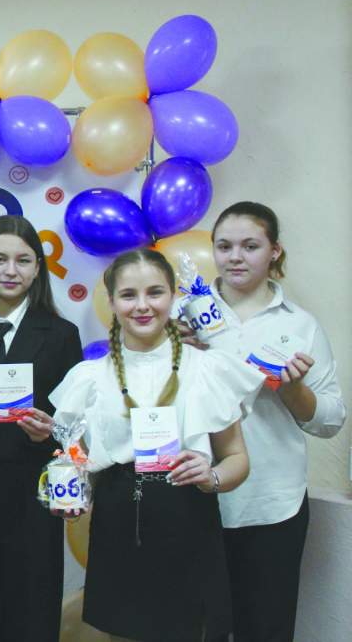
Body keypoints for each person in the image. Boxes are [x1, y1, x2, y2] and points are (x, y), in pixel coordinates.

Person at [49, 248, 263, 642]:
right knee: (123, 633)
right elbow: (74, 460)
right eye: (129, 295)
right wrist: (68, 489)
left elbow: (237, 459)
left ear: (173, 296)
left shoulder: (207, 369)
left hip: (188, 518)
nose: (142, 306)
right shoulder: (88, 377)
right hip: (117, 523)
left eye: (155, 292)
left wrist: (212, 476)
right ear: (111, 301)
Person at [200, 202, 345, 642]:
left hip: (274, 502)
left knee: (266, 629)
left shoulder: (300, 325)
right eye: (224, 246)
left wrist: (292, 390)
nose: (235, 257)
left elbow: (330, 421)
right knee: (197, 628)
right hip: (196, 497)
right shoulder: (186, 317)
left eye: (250, 246)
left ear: (274, 252)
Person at [0, 215, 82, 642]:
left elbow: (74, 428)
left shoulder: (62, 335)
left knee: (32, 608)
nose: (11, 270)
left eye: (24, 260)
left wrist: (51, 432)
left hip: (33, 492)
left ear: (38, 268)